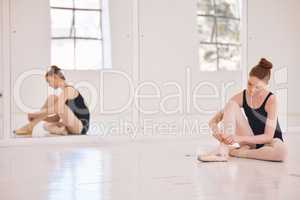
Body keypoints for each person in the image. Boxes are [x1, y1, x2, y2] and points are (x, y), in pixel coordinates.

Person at [198, 58, 287, 162]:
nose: (252, 90)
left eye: (257, 87)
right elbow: (213, 121)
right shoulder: (242, 96)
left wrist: (238, 138)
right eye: (249, 84)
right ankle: (223, 152)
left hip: (271, 142)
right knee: (231, 104)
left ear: (266, 85)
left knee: (281, 153)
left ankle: (236, 152)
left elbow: (268, 136)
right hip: (251, 141)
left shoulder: (271, 100)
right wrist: (216, 131)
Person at [14, 65, 90, 136]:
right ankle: (61, 131)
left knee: (54, 101)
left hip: (80, 127)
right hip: (71, 125)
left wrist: (36, 114)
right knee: (45, 125)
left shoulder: (69, 89)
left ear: (55, 77)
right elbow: (56, 118)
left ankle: (29, 127)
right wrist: (41, 117)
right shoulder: (64, 94)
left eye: (48, 81)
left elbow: (57, 108)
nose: (49, 85)